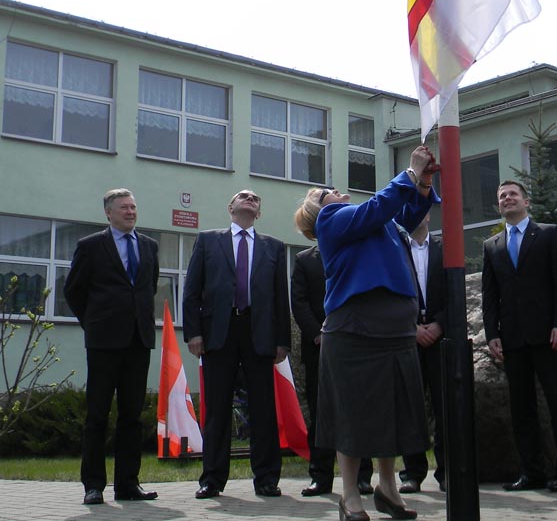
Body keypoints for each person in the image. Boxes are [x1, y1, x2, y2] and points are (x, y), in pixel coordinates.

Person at [294, 145, 439, 521]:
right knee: (353, 415)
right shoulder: (332, 220)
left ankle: (388, 489)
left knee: (391, 411)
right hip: (355, 330)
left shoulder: (375, 220)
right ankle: (350, 498)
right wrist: (409, 173)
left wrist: (423, 185)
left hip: (394, 328)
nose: (335, 191)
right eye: (326, 192)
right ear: (319, 209)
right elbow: (377, 208)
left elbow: (407, 215)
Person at [183, 189, 290, 499]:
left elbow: (280, 297)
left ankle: (266, 478)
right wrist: (193, 333)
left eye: (255, 198)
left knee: (263, 409)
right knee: (217, 409)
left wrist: (282, 340)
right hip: (219, 332)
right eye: (243, 196)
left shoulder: (273, 247)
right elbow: (192, 290)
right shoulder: (208, 240)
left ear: (259, 213)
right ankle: (212, 479)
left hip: (259, 333)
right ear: (230, 207)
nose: (249, 198)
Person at [481, 180, 557, 493]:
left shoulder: (549, 234)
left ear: (527, 202)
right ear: (499, 205)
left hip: (548, 336)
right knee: (522, 410)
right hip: (512, 340)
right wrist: (492, 334)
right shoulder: (492, 246)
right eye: (502, 196)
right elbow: (490, 296)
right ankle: (531, 472)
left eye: (513, 194)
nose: (507, 198)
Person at [64, 188, 160, 505]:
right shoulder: (91, 246)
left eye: (133, 207)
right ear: (108, 212)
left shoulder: (149, 245)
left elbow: (148, 287)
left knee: (132, 416)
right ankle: (93, 486)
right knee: (98, 415)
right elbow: (74, 290)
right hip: (104, 342)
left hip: (138, 340)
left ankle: (128, 484)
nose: (130, 212)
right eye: (124, 208)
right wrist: (94, 322)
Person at [290, 244, 375, 497]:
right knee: (321, 414)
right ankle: (320, 476)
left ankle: (363, 477)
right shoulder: (304, 260)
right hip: (318, 348)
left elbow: (366, 296)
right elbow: (299, 302)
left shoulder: (357, 253)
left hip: (355, 344)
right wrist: (319, 334)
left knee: (359, 411)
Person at [398, 213, 448, 494]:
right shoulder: (394, 250)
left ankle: (447, 472)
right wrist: (412, 327)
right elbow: (390, 293)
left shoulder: (446, 247)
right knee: (410, 408)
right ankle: (412, 473)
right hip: (408, 338)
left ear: (428, 214)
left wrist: (439, 324)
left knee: (445, 408)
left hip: (441, 338)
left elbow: (456, 290)